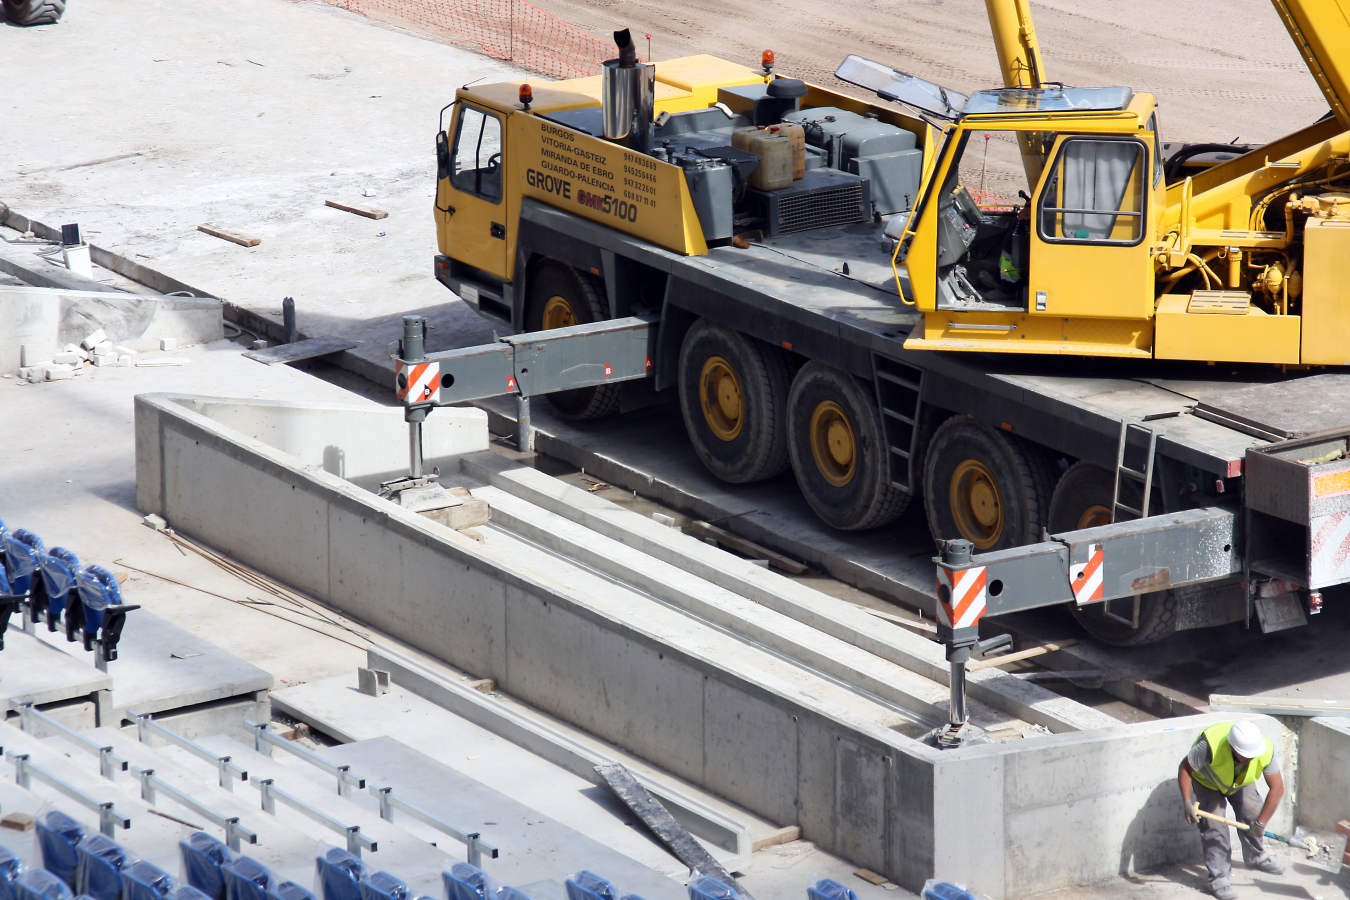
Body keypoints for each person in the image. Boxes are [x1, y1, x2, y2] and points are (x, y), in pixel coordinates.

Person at [1177, 720, 1285, 899]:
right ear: (1233, 748)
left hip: (1239, 782)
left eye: (1253, 756)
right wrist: (1187, 802)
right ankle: (1219, 878)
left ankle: (1255, 856)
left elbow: (1277, 788)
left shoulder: (1264, 749)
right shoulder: (1210, 744)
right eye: (1246, 756)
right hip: (1207, 784)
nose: (1251, 759)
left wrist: (1261, 822)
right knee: (1214, 825)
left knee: (1252, 811)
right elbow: (1185, 768)